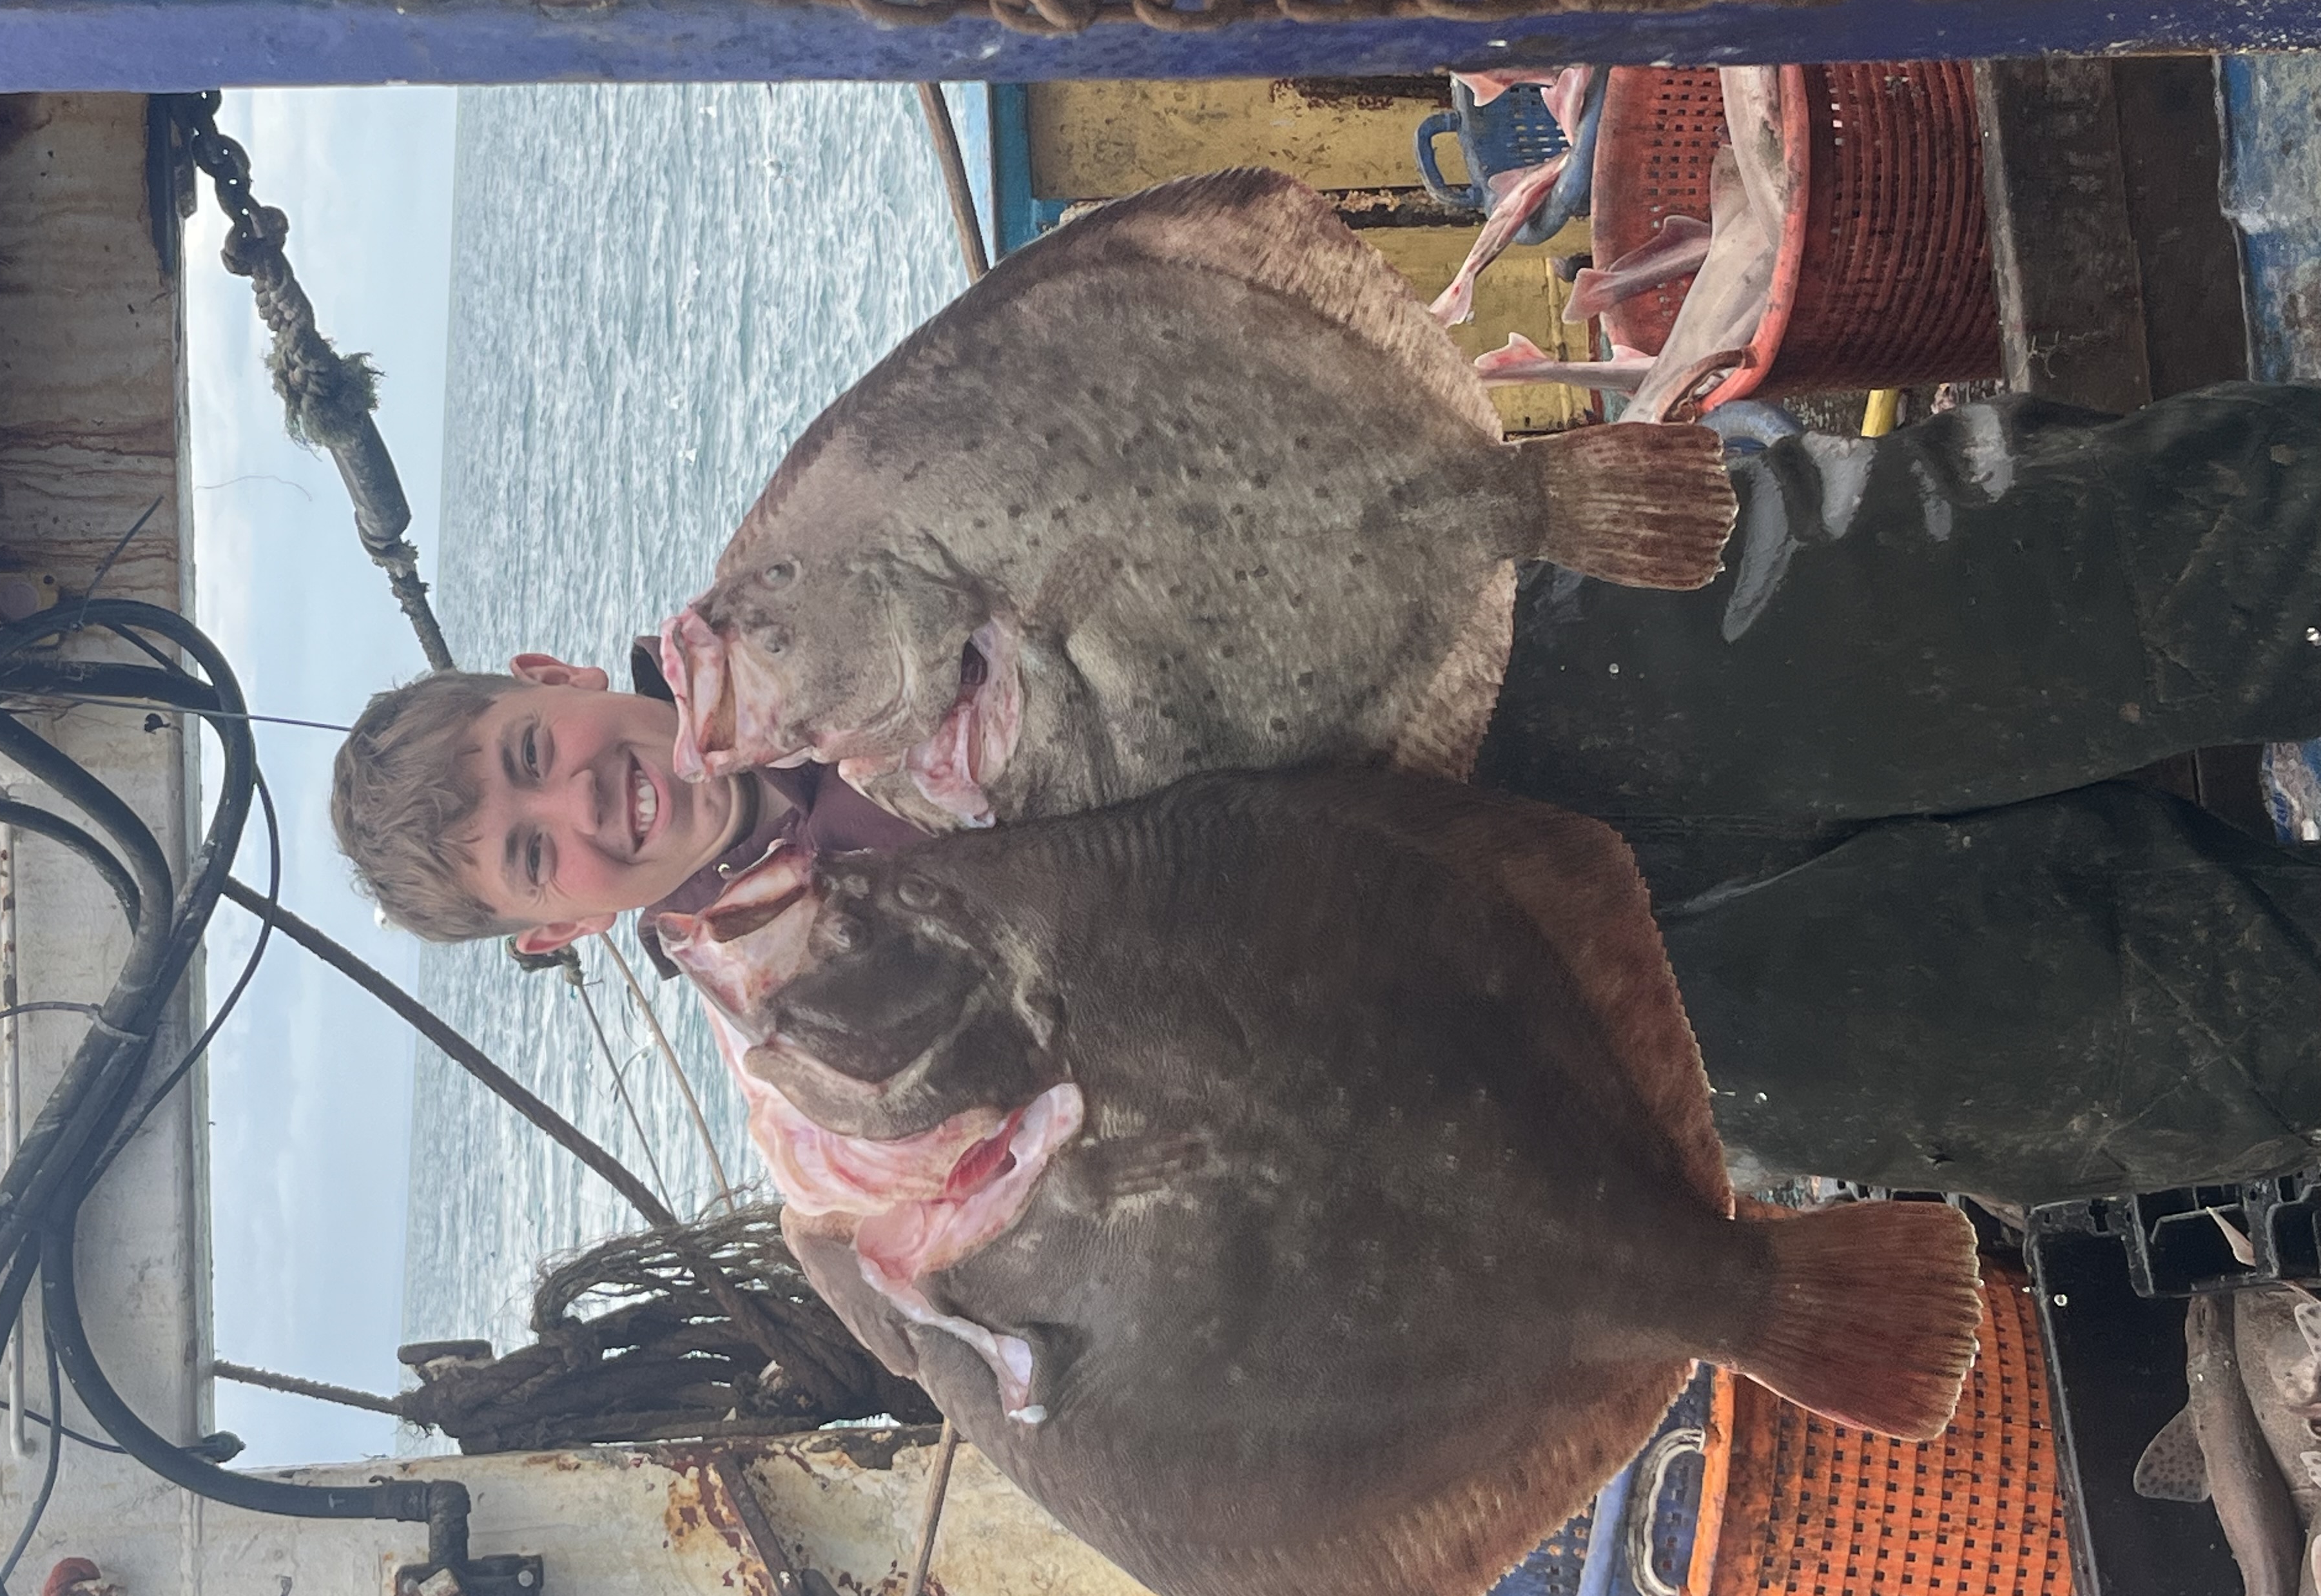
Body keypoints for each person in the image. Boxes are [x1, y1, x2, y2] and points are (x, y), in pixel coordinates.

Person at [330, 383, 2321, 1210]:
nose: (581, 799)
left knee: (2102, 581)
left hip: (1544, 657)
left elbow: (1157, 427)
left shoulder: (818, 554)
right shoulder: (823, 1103)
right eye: (537, 851)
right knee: (2163, 1023)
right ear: (562, 930)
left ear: (555, 678)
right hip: (1546, 1006)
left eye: (531, 748)